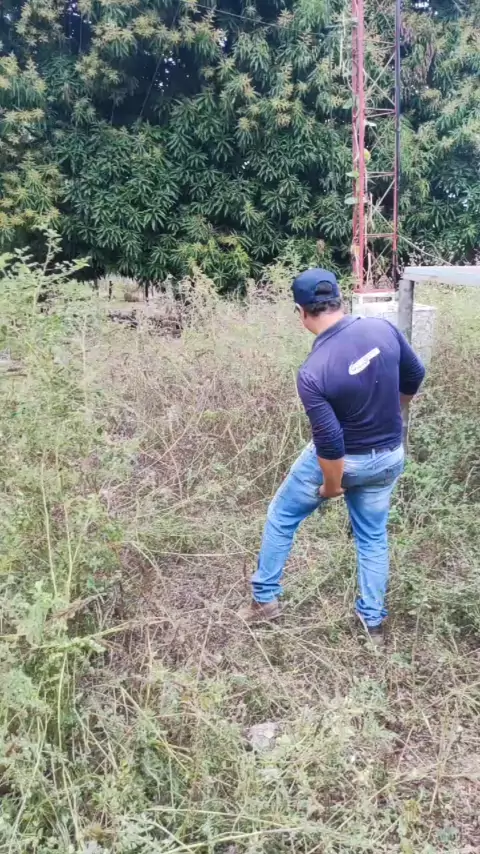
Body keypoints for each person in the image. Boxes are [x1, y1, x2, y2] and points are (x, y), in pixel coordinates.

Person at [238, 268, 425, 643]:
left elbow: (330, 441)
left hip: (345, 461)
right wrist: (394, 410)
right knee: (372, 537)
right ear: (339, 299)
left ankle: (265, 602)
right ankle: (372, 623)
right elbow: (415, 374)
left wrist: (331, 487)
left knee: (282, 516)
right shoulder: (382, 329)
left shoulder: (313, 371)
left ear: (301, 311)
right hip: (389, 456)